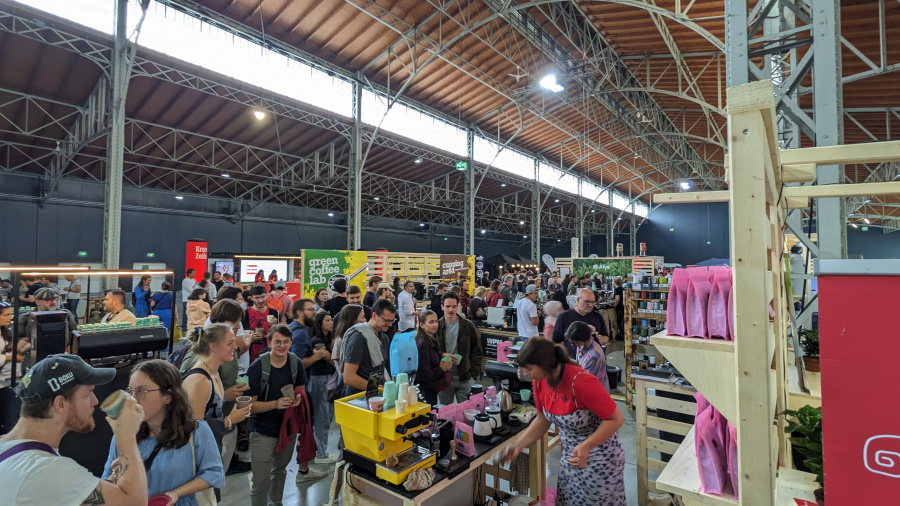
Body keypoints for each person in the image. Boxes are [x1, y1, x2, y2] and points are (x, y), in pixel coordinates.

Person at [0, 354, 149, 505]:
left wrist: (105, 485)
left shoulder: (11, 451)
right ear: (61, 405)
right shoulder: (45, 470)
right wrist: (126, 434)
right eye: (87, 394)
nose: (95, 401)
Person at [503, 338, 625, 505]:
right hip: (572, 458)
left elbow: (616, 419)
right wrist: (518, 445)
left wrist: (586, 446)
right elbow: (543, 418)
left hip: (601, 460)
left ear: (545, 364)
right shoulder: (540, 381)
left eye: (529, 368)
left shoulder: (581, 381)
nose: (525, 373)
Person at [103, 360, 225, 506]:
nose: (132, 399)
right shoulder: (123, 436)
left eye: (141, 391)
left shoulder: (196, 432)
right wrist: (116, 474)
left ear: (168, 396)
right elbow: (106, 483)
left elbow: (213, 473)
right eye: (130, 391)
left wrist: (176, 493)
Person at [245, 324, 321, 503]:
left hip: (288, 429)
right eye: (277, 341)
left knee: (280, 471)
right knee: (260, 481)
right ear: (269, 342)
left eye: (286, 342)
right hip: (262, 431)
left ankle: (276, 502)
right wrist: (275, 404)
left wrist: (298, 398)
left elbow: (300, 388)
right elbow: (250, 406)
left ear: (291, 342)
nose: (282, 346)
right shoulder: (257, 368)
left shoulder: (296, 363)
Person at [182, 324, 252, 458]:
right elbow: (194, 428)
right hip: (198, 456)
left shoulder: (214, 372)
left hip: (212, 448)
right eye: (230, 343)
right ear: (212, 346)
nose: (235, 347)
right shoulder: (200, 381)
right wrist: (230, 420)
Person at [291, 300, 337, 464]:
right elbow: (297, 361)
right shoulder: (306, 336)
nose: (314, 312)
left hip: (321, 380)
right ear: (300, 312)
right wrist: (317, 357)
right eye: (311, 309)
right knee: (321, 417)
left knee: (324, 416)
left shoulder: (302, 332)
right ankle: (320, 454)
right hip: (318, 381)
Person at [340, 299, 395, 395]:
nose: (390, 325)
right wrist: (375, 387)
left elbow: (380, 369)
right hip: (357, 397)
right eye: (386, 320)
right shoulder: (359, 338)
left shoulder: (384, 338)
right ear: (374, 315)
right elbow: (348, 377)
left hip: (375, 394)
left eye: (392, 321)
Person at [436, 292, 483, 404]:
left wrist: (473, 374)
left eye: (453, 306)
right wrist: (442, 355)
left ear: (458, 306)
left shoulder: (468, 325)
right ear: (442, 307)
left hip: (465, 377)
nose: (451, 310)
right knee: (446, 413)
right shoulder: (436, 327)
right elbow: (431, 352)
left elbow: (477, 351)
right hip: (444, 377)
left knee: (466, 412)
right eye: (447, 306)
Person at [19, 288, 79, 354]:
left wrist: (71, 345)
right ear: (37, 302)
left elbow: (74, 332)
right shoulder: (25, 318)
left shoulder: (66, 314)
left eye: (54, 299)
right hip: (34, 355)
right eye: (48, 300)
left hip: (60, 354)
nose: (53, 302)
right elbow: (17, 338)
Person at [553, 288, 609, 358]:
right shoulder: (564, 317)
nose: (590, 305)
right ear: (578, 300)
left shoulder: (597, 316)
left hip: (594, 362)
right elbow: (556, 340)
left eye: (593, 302)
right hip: (573, 362)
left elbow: (606, 336)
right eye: (587, 302)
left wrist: (602, 339)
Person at [414, 310, 452, 405]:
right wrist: (442, 368)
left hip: (430, 389)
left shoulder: (428, 339)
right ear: (422, 325)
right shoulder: (423, 344)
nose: (435, 325)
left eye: (436, 321)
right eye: (431, 322)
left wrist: (441, 355)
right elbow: (424, 375)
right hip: (427, 391)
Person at [567, 321, 610, 393]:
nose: (573, 344)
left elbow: (584, 379)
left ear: (584, 340)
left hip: (595, 391)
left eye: (576, 342)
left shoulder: (593, 356)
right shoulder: (582, 343)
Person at [243, 284, 279, 363]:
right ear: (251, 298)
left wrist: (274, 327)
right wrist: (250, 337)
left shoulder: (274, 313)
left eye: (262, 297)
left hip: (269, 354)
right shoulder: (245, 314)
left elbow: (278, 336)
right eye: (257, 298)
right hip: (249, 355)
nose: (260, 300)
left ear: (267, 296)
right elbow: (240, 334)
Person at [1, 301, 29, 389]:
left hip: (9, 378)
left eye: (11, 314)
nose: (11, 317)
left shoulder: (4, 331)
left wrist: (19, 347)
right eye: (6, 315)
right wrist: (13, 357)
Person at [330, 304, 366, 369]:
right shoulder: (340, 340)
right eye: (362, 317)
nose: (365, 320)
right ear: (353, 320)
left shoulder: (363, 337)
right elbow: (339, 367)